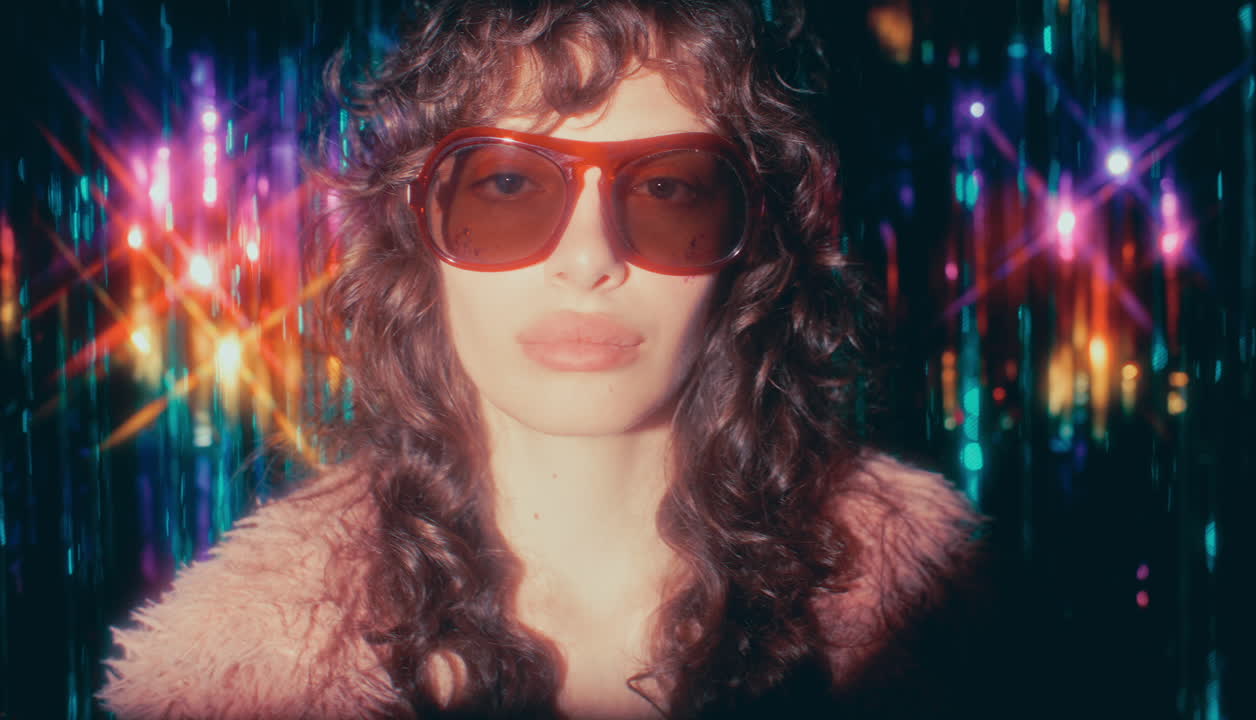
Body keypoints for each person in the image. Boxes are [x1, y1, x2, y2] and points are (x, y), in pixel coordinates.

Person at [98, 1, 985, 718]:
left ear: (752, 247)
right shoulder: (225, 683)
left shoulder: (950, 622)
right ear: (419, 236)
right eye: (510, 185)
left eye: (669, 187)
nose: (588, 257)